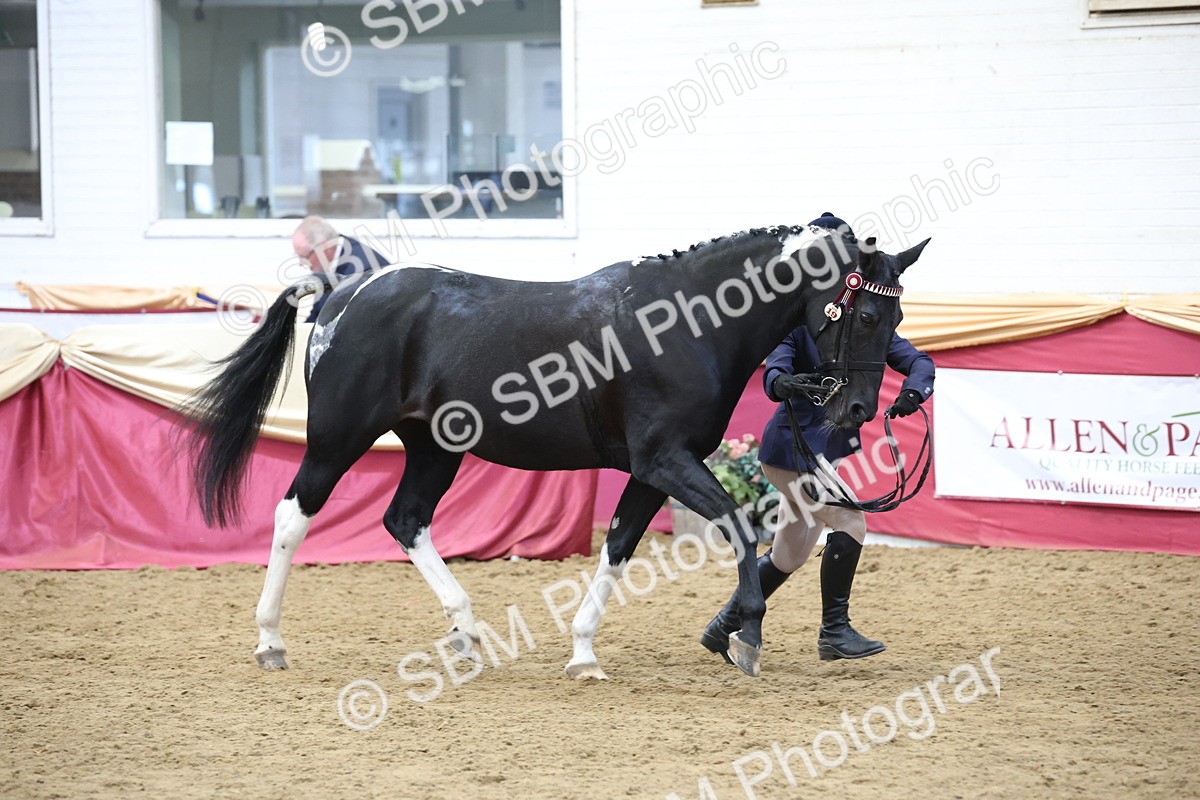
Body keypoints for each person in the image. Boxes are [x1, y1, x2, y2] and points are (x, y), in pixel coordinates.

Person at [701, 213, 935, 664]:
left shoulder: (862, 329)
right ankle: (835, 632)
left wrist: (912, 392)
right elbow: (775, 370)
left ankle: (721, 628)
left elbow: (919, 361)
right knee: (851, 521)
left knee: (790, 553)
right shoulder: (799, 322)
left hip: (823, 454)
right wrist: (783, 383)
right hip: (791, 451)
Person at [292, 216, 390, 322]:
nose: (301, 263)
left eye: (304, 257)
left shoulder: (364, 270)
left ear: (325, 249)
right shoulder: (324, 266)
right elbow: (316, 316)